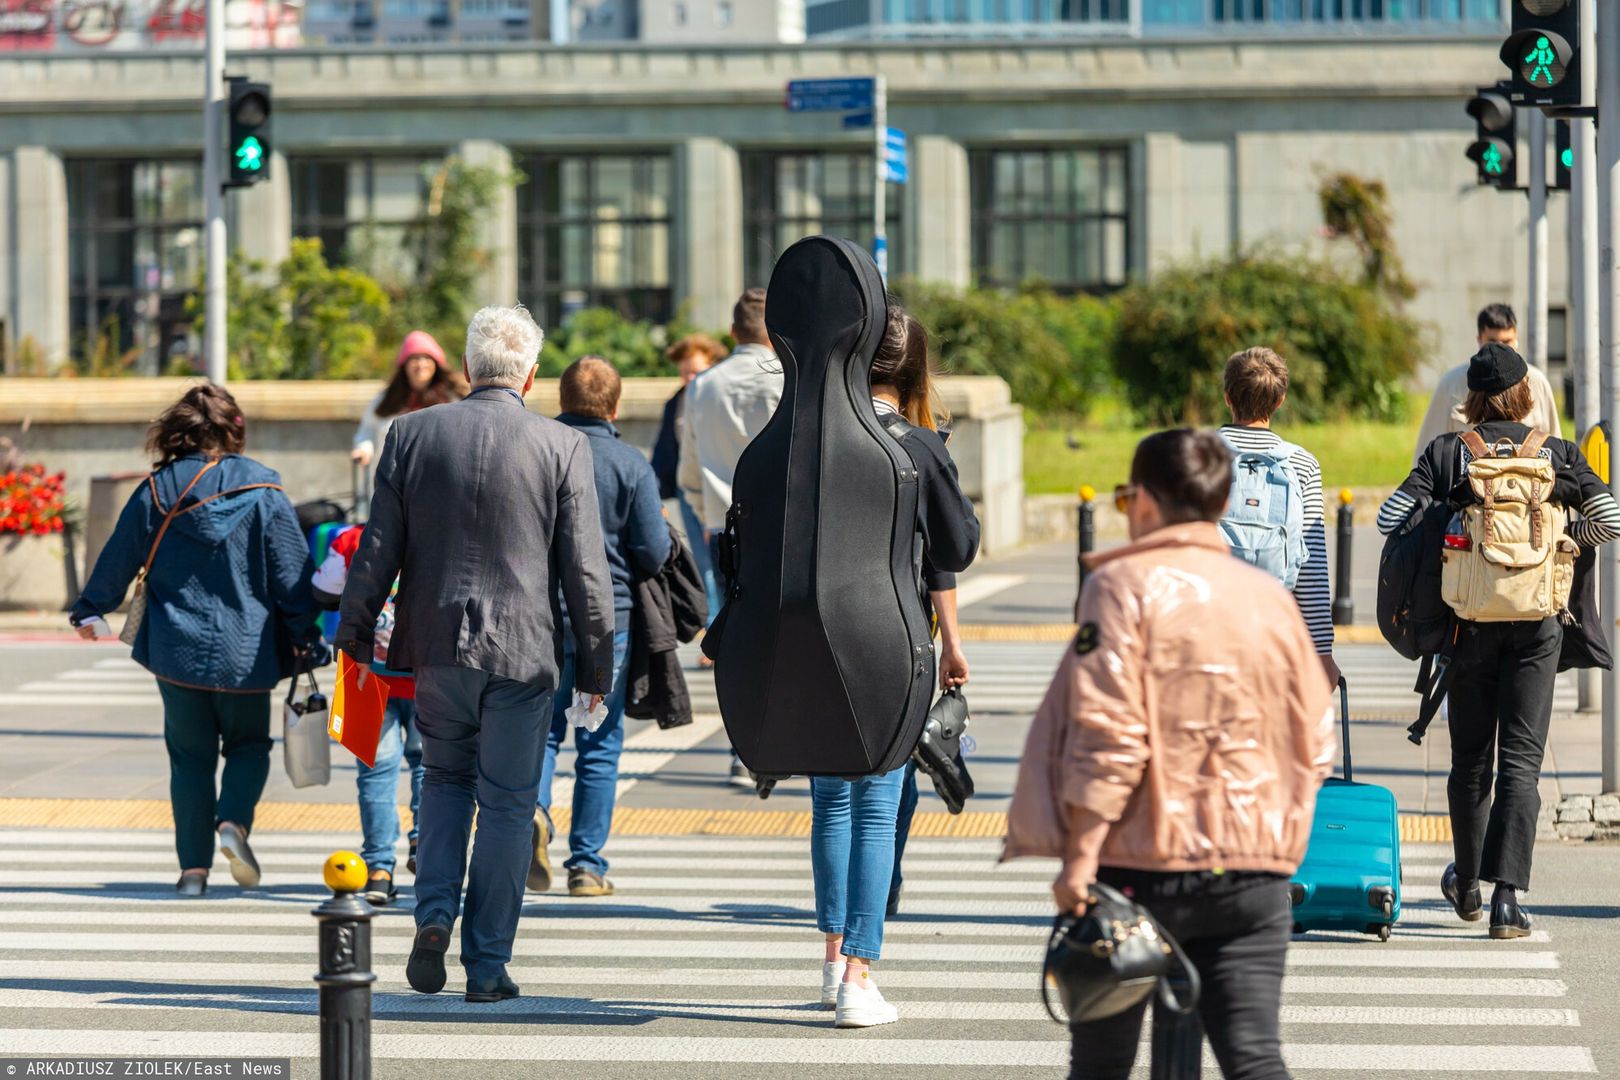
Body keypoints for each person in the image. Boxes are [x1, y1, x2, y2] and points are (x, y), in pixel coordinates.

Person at [1005, 427, 1334, 1080]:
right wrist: (1282, 839)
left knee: (1100, 1063)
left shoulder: (1124, 585)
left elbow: (1110, 732)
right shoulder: (1270, 596)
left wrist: (1080, 858)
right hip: (1256, 871)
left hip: (1141, 868)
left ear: (1149, 502)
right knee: (1254, 1055)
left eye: (1127, 498)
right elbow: (1316, 735)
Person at [337, 304, 616, 1004]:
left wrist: (352, 640)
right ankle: (486, 964)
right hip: (523, 654)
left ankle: (433, 917)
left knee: (442, 782)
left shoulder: (410, 434)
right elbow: (586, 570)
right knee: (507, 806)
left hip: (434, 647)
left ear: (466, 368)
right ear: (530, 374)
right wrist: (597, 667)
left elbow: (378, 550)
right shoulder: (562, 445)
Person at [1379, 342, 1620, 938]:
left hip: (1467, 627)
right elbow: (1611, 518)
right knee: (1521, 762)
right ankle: (1508, 899)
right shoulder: (1556, 453)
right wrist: (1566, 542)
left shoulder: (1450, 453)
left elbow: (1389, 519)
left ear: (1472, 400)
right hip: (1537, 624)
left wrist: (1449, 530)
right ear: (1526, 394)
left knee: (1469, 763)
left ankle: (1465, 885)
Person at [70, 383, 326, 897]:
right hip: (247, 650)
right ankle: (233, 821)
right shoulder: (265, 489)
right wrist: (305, 635)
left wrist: (91, 607)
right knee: (250, 746)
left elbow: (118, 555)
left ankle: (193, 872)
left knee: (189, 758)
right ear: (235, 429)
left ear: (179, 430)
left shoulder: (158, 488)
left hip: (175, 648)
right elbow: (292, 577)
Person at [812, 307, 979, 1029]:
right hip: (891, 640)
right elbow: (957, 545)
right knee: (879, 807)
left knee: (829, 802)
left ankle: (827, 964)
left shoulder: (814, 436)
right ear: (913, 370)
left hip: (813, 643)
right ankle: (859, 974)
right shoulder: (916, 443)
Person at [530, 356, 671, 899]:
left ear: (560, 401)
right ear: (615, 407)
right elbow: (653, 552)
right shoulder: (630, 462)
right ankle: (586, 866)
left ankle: (534, 818)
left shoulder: (538, 450)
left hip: (539, 617)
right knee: (600, 742)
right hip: (608, 622)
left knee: (540, 733)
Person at [678, 287, 784, 785]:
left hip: (727, 529)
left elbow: (689, 472)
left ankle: (743, 749)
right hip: (786, 525)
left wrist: (704, 517)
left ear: (732, 333)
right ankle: (789, 741)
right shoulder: (791, 381)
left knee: (737, 641)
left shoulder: (702, 387)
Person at [311, 524, 424, 906]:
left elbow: (324, 592)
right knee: (433, 767)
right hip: (430, 671)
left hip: (363, 672)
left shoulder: (350, 539)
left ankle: (378, 870)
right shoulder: (442, 531)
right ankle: (424, 846)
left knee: (374, 771)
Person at [1219, 347, 1340, 686]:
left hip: (1210, 626)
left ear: (1228, 397)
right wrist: (1322, 653)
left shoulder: (1199, 454)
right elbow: (1312, 564)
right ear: (1280, 401)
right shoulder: (1302, 464)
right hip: (1273, 631)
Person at [1413, 304, 1561, 464]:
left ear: (1516, 338)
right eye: (1492, 342)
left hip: (1527, 484)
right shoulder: (1451, 384)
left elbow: (1555, 451)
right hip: (1466, 483)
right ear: (1479, 339)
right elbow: (1427, 453)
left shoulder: (1537, 382)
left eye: (1506, 341)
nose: (1499, 349)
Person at [651, 333, 726, 629]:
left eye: (696, 370)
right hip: (688, 490)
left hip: (718, 487)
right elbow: (664, 450)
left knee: (722, 561)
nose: (690, 377)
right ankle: (713, 627)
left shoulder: (719, 396)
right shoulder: (677, 402)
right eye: (684, 372)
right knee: (703, 562)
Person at [351, 330, 468, 471]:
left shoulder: (451, 399)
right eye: (414, 358)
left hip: (436, 481)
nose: (420, 364)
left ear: (436, 363)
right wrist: (364, 450)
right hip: (391, 480)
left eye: (426, 358)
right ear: (404, 364)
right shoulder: (387, 399)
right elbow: (368, 429)